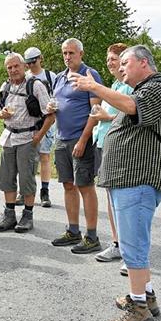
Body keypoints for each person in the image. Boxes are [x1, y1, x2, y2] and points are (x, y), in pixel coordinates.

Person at [71, 45, 161, 321]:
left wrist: (94, 86)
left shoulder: (157, 89)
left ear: (144, 63)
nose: (121, 68)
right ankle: (147, 295)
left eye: (126, 63)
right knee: (133, 242)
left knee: (133, 245)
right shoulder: (141, 90)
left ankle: (139, 309)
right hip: (128, 180)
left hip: (139, 180)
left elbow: (132, 107)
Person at [50, 38, 104, 253]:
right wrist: (50, 108)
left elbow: (96, 110)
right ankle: (73, 231)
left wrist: (83, 140)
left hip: (81, 138)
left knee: (85, 186)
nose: (67, 57)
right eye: (64, 53)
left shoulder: (89, 75)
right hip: (61, 138)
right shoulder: (60, 78)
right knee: (68, 185)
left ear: (81, 53)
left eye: (71, 53)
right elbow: (57, 104)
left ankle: (92, 236)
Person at [0, 53, 55, 233]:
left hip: (28, 138)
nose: (13, 70)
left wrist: (39, 136)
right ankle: (9, 215)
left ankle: (27, 216)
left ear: (24, 66)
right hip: (9, 137)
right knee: (6, 177)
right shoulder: (5, 86)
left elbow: (50, 115)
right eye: (9, 67)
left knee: (26, 179)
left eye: (16, 66)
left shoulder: (35, 85)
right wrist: (0, 113)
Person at [92, 44, 134, 269]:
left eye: (114, 59)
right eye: (108, 59)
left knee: (122, 200)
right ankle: (118, 243)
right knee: (110, 196)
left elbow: (128, 112)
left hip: (120, 147)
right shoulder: (115, 85)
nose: (110, 62)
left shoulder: (129, 87)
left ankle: (130, 253)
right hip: (103, 143)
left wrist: (106, 116)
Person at [23, 47, 58, 207]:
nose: (31, 65)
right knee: (27, 160)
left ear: (40, 58)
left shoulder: (51, 76)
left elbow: (58, 98)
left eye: (33, 61)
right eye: (28, 63)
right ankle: (24, 191)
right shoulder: (25, 78)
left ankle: (45, 192)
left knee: (44, 157)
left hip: (47, 121)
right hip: (29, 123)